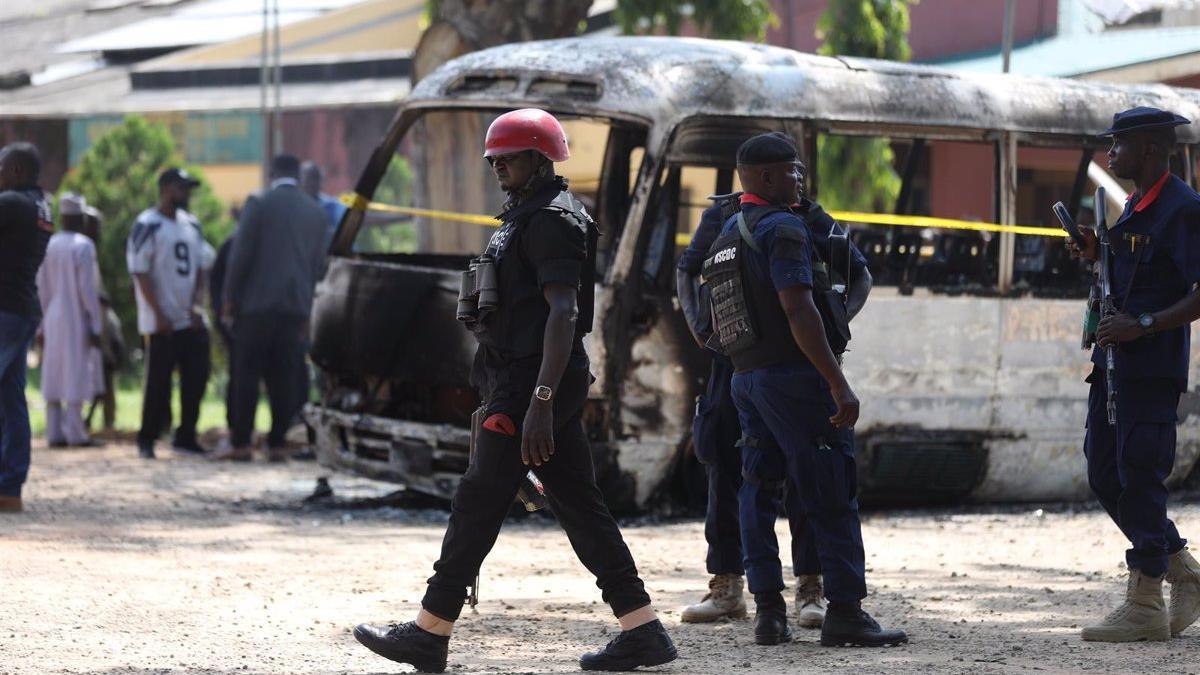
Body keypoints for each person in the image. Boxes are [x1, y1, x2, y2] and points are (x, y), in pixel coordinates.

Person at [352, 108, 678, 673]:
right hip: (518, 379)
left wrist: (541, 405)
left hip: (533, 384)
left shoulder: (553, 219)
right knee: (580, 505)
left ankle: (430, 630)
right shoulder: (522, 217)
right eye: (494, 159)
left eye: (509, 157)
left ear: (540, 157)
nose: (499, 166)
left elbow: (564, 311)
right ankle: (642, 627)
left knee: (478, 501)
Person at [702, 132, 905, 648]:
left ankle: (769, 613)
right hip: (794, 379)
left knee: (757, 491)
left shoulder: (728, 232)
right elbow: (798, 308)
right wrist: (838, 383)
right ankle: (845, 612)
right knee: (831, 489)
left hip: (745, 380)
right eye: (792, 171)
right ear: (765, 177)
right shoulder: (785, 227)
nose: (800, 180)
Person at [1063, 106, 1200, 642]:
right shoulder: (1136, 208)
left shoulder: (1183, 208)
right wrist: (1098, 250)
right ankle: (1183, 570)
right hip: (1113, 367)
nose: (1109, 154)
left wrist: (1144, 324)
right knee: (1104, 472)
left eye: (1117, 144)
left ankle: (1145, 600)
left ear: (1148, 148)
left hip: (1148, 368)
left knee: (1140, 476)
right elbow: (1136, 273)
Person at [217, 155, 327, 462]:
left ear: (271, 173)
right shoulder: (316, 213)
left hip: (256, 306)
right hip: (294, 308)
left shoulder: (258, 204)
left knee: (246, 374)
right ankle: (277, 443)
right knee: (285, 376)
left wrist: (229, 298)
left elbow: (241, 255)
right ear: (297, 175)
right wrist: (308, 310)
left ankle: (241, 443)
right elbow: (318, 267)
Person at [127, 168, 214, 459]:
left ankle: (186, 434)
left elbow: (202, 266)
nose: (186, 194)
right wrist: (158, 313)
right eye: (181, 188)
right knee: (157, 382)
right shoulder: (147, 224)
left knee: (196, 378)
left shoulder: (192, 225)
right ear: (165, 189)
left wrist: (197, 305)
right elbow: (139, 272)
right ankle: (147, 438)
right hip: (160, 320)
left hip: (189, 317)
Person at [0, 142, 53, 512]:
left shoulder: (12, 204)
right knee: (11, 399)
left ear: (16, 171)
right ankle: (10, 487)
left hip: (4, 310)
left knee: (12, 400)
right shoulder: (40, 206)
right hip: (22, 310)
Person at [36, 193, 104, 447]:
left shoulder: (49, 244)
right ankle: (75, 433)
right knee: (75, 371)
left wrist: (41, 323)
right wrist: (95, 324)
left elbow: (41, 288)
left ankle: (54, 433)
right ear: (80, 218)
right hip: (76, 317)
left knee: (53, 371)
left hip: (52, 315)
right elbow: (88, 290)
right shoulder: (84, 245)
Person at [300, 160, 347, 245]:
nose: (311, 183)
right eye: (308, 179)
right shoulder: (293, 206)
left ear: (321, 182)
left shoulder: (332, 206)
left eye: (315, 179)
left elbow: (351, 219)